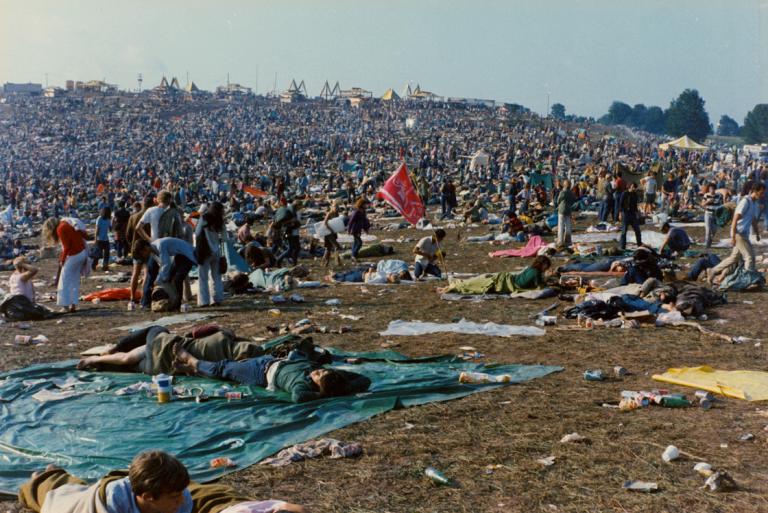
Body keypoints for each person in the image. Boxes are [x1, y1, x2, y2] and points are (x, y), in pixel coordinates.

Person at [18, 450, 306, 513]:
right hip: (80, 501)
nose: (181, 500)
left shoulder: (176, 500)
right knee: (55, 492)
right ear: (149, 497)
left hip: (134, 485)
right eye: (174, 497)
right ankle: (47, 474)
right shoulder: (107, 507)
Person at [172, 343, 371, 404]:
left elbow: (299, 397)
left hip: (259, 373)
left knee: (223, 368)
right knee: (229, 369)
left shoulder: (302, 385)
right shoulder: (330, 375)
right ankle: (195, 370)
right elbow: (365, 380)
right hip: (269, 360)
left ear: (318, 386)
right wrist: (343, 387)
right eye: (322, 371)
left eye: (319, 376)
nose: (318, 371)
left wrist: (324, 394)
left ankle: (191, 360)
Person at [708, 182, 765, 280]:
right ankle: (747, 279)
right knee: (750, 257)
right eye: (761, 192)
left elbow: (753, 220)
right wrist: (733, 236)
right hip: (739, 233)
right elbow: (735, 219)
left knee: (734, 258)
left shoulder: (754, 203)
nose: (762, 195)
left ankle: (713, 271)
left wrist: (757, 233)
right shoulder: (745, 201)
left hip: (744, 234)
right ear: (755, 191)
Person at [134, 237, 197, 311]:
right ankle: (173, 302)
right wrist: (161, 278)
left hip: (187, 255)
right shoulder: (153, 251)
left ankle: (177, 305)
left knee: (178, 279)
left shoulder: (160, 245)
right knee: (170, 277)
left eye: (142, 253)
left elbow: (166, 264)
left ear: (146, 247)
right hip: (179, 256)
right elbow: (163, 265)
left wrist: (158, 280)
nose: (143, 255)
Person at [439, 255, 551, 294]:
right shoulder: (536, 272)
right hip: (502, 281)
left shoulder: (531, 269)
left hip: (504, 278)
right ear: (543, 264)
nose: (547, 268)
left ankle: (451, 286)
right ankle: (451, 287)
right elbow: (540, 286)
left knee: (474, 283)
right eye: (546, 266)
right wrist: (549, 280)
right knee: (476, 285)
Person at [43, 217, 87, 313]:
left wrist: (62, 260)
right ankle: (74, 304)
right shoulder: (66, 223)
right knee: (74, 280)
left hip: (74, 254)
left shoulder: (60, 228)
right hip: (82, 252)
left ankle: (65, 306)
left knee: (64, 280)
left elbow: (67, 246)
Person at [194, 202, 227, 307]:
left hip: (204, 251)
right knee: (216, 276)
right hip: (216, 250)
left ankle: (204, 301)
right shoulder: (220, 221)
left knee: (203, 277)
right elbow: (225, 238)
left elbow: (198, 233)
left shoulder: (204, 218)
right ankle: (217, 299)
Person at [618, 182, 642, 250]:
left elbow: (635, 205)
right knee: (624, 231)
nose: (634, 188)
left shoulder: (635, 194)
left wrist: (637, 214)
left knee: (637, 230)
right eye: (633, 187)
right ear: (630, 187)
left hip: (632, 214)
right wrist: (620, 214)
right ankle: (622, 246)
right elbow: (620, 204)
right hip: (625, 213)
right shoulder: (624, 193)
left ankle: (639, 245)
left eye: (635, 187)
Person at [320, 199, 343, 267]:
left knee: (328, 248)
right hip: (328, 233)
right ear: (332, 207)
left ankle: (325, 262)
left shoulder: (336, 214)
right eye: (335, 206)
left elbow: (335, 222)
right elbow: (325, 223)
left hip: (333, 233)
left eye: (337, 207)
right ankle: (337, 261)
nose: (336, 208)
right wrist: (331, 229)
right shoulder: (329, 213)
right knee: (337, 246)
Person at [346, 198, 370, 262]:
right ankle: (354, 255)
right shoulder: (357, 211)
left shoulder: (363, 211)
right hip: (354, 229)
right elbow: (351, 221)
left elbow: (364, 220)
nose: (366, 205)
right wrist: (349, 230)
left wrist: (366, 229)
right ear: (362, 204)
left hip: (359, 229)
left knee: (356, 242)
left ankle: (353, 256)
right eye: (365, 204)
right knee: (359, 243)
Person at [702, 182, 723, 248]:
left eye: (713, 189)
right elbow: (702, 204)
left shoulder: (719, 195)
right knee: (708, 230)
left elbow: (721, 205)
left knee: (714, 230)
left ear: (715, 189)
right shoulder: (706, 195)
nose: (711, 190)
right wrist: (708, 201)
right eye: (710, 189)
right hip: (708, 214)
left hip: (716, 215)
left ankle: (710, 241)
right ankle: (707, 245)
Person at [556, 179, 575, 248]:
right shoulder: (571, 193)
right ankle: (568, 240)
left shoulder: (562, 192)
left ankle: (560, 240)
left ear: (564, 185)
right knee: (568, 225)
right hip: (568, 209)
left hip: (561, 209)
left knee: (561, 225)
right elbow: (573, 200)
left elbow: (558, 200)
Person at [94, 206, 112, 271]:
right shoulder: (99, 218)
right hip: (100, 239)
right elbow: (97, 229)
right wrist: (95, 238)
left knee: (107, 253)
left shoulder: (108, 219)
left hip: (106, 238)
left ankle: (105, 266)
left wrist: (114, 223)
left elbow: (110, 229)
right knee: (98, 254)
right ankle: (94, 265)